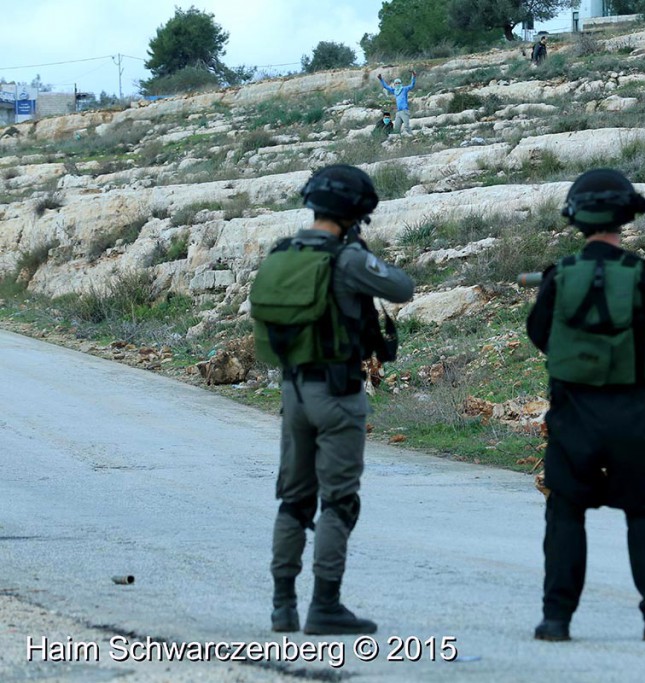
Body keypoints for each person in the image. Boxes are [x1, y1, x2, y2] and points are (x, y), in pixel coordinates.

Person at [526, 168, 645, 643]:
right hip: (635, 413)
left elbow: (539, 335)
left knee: (565, 513)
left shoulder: (559, 276)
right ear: (625, 217)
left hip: (573, 415)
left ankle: (555, 619)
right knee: (644, 513)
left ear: (576, 218)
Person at [251, 165, 414, 635]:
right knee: (339, 502)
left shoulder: (283, 252)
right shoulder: (346, 259)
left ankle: (282, 605)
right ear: (354, 213)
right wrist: (361, 253)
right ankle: (324, 606)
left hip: (293, 390)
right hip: (338, 394)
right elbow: (402, 288)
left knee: (294, 501)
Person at [377, 71, 416, 135]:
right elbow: (386, 86)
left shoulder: (404, 89)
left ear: (401, 83)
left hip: (404, 111)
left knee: (406, 127)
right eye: (396, 83)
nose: (397, 84)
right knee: (396, 129)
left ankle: (411, 137)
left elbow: (412, 85)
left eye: (399, 83)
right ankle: (397, 140)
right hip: (398, 112)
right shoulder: (395, 91)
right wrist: (381, 79)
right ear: (394, 84)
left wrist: (413, 76)